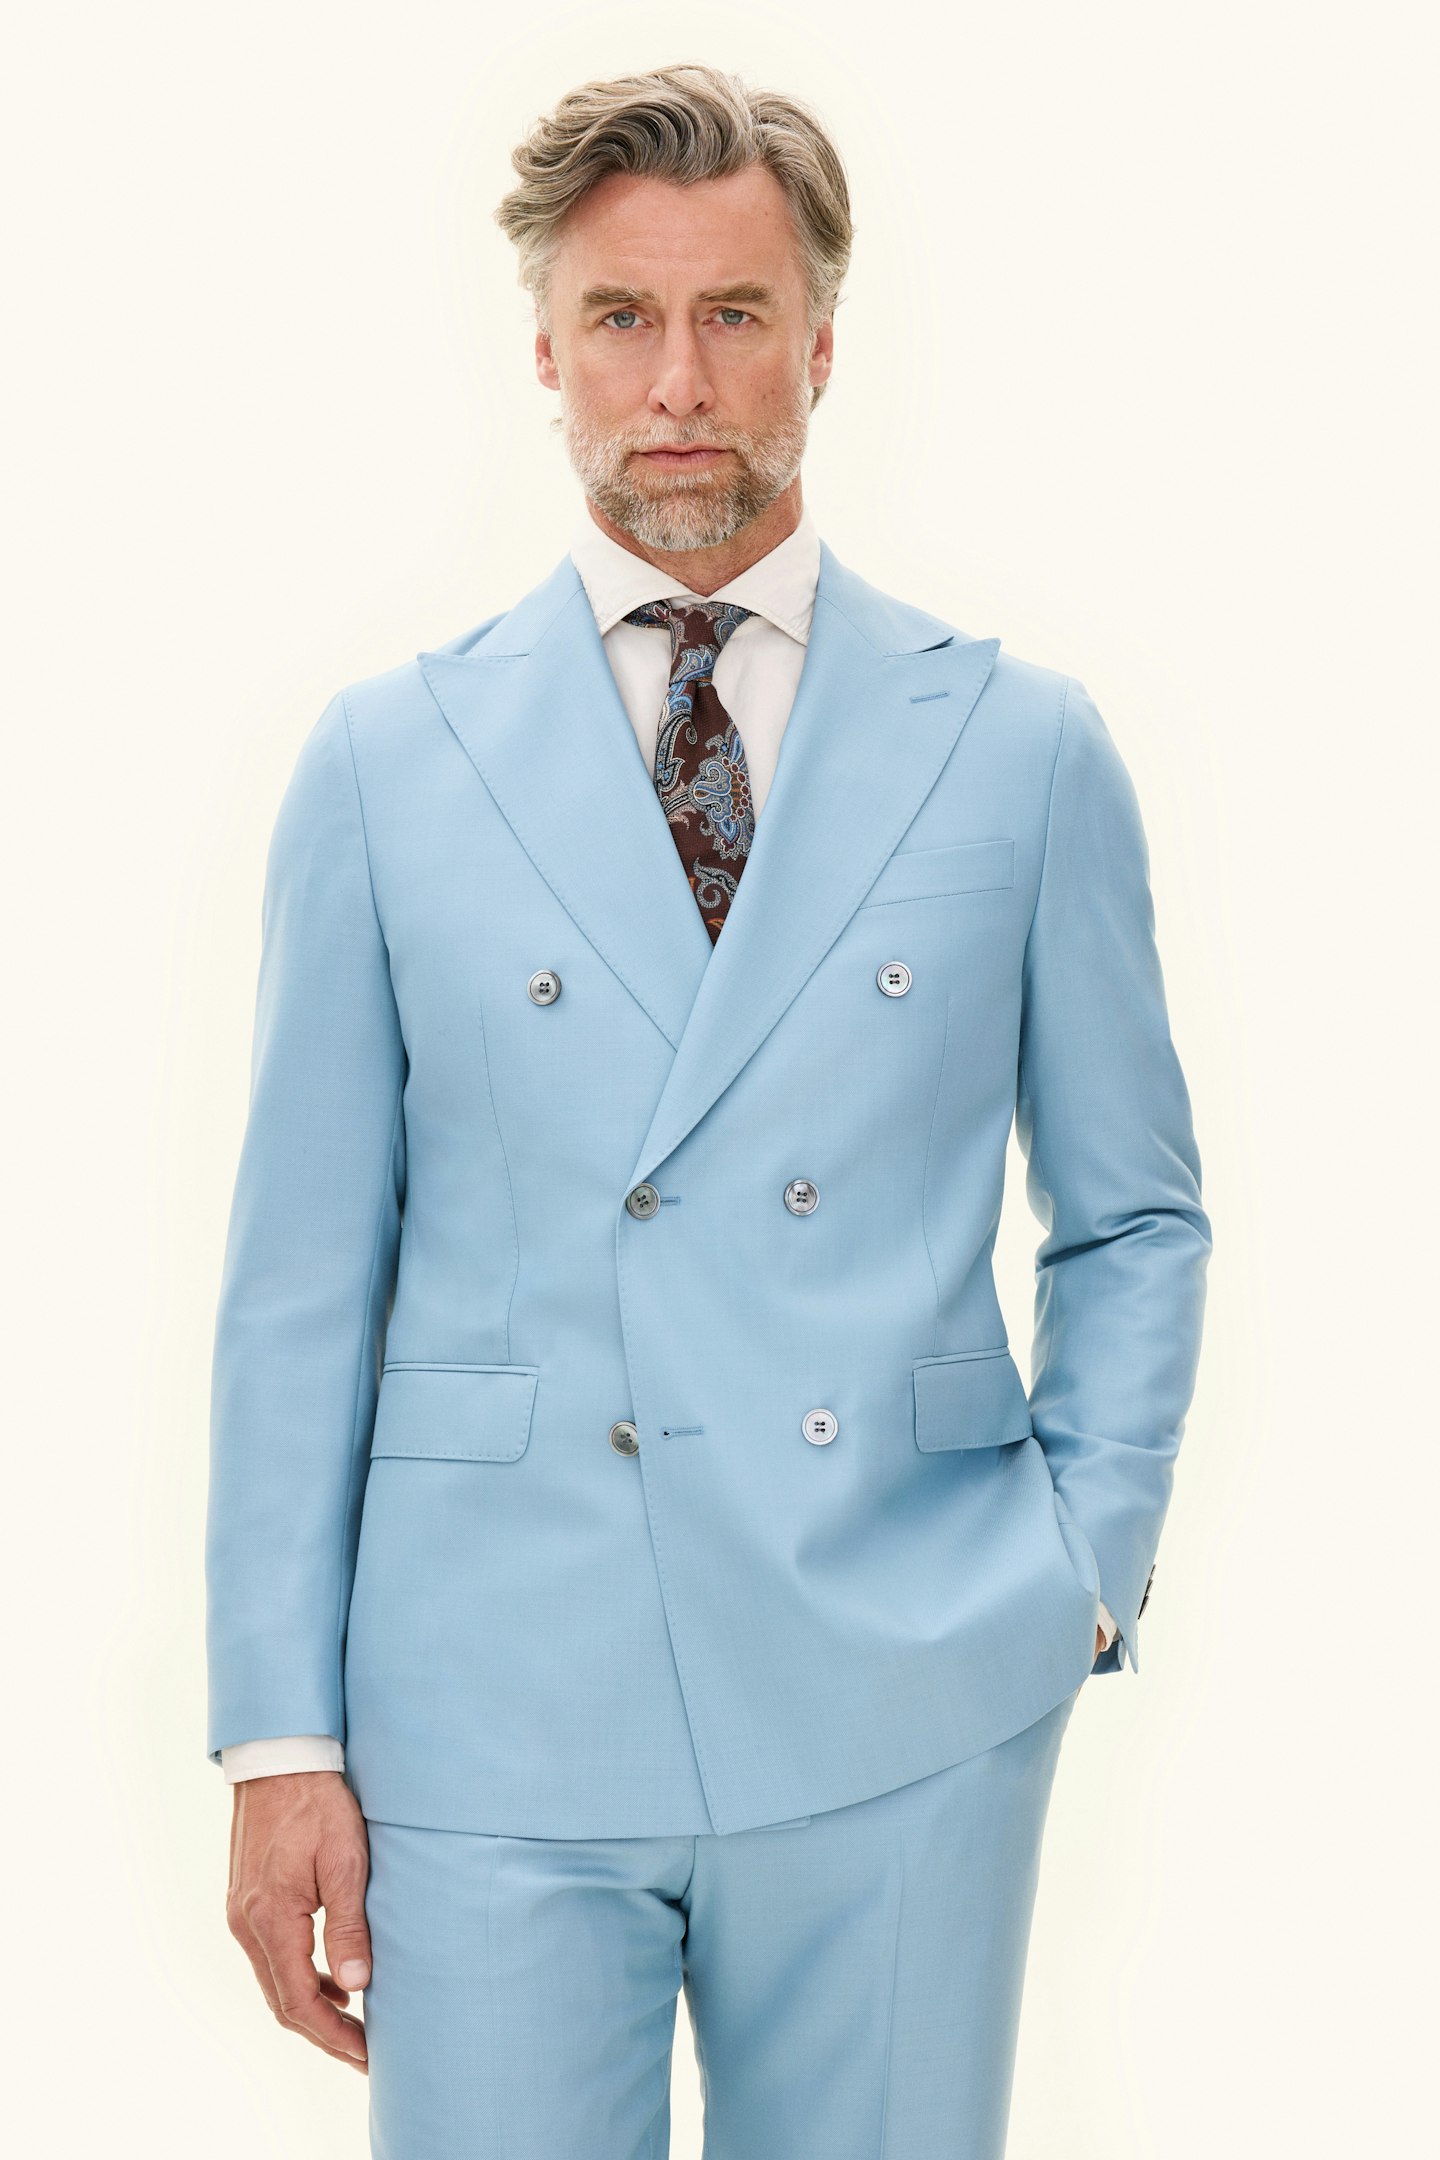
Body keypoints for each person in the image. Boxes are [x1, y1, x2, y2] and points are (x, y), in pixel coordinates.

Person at [207, 61, 1211, 2160]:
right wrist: (279, 1737)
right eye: (622, 317)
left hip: (910, 1681)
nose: (678, 381)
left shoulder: (1020, 744)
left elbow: (1132, 1215)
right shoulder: (387, 761)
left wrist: (1079, 1572)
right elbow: (303, 1281)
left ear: (822, 343)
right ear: (544, 351)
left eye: (735, 313)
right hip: (490, 1698)